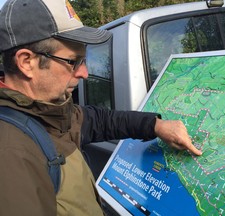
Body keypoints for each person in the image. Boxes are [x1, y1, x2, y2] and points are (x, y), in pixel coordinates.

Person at [0, 0, 202, 215]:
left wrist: (156, 125)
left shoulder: (49, 112)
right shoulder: (11, 151)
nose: (84, 73)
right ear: (26, 62)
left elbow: (98, 120)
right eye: (73, 61)